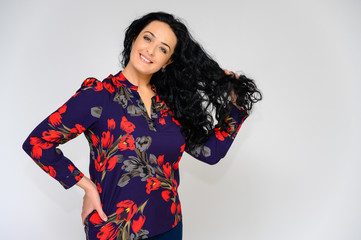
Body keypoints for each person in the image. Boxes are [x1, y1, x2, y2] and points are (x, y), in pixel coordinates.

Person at [22, 12, 261, 240]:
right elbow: (37, 142)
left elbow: (209, 154)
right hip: (113, 229)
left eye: (163, 49)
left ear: (169, 61)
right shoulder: (98, 96)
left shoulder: (171, 103)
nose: (151, 50)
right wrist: (86, 186)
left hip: (168, 224)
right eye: (148, 38)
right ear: (134, 38)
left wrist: (235, 108)